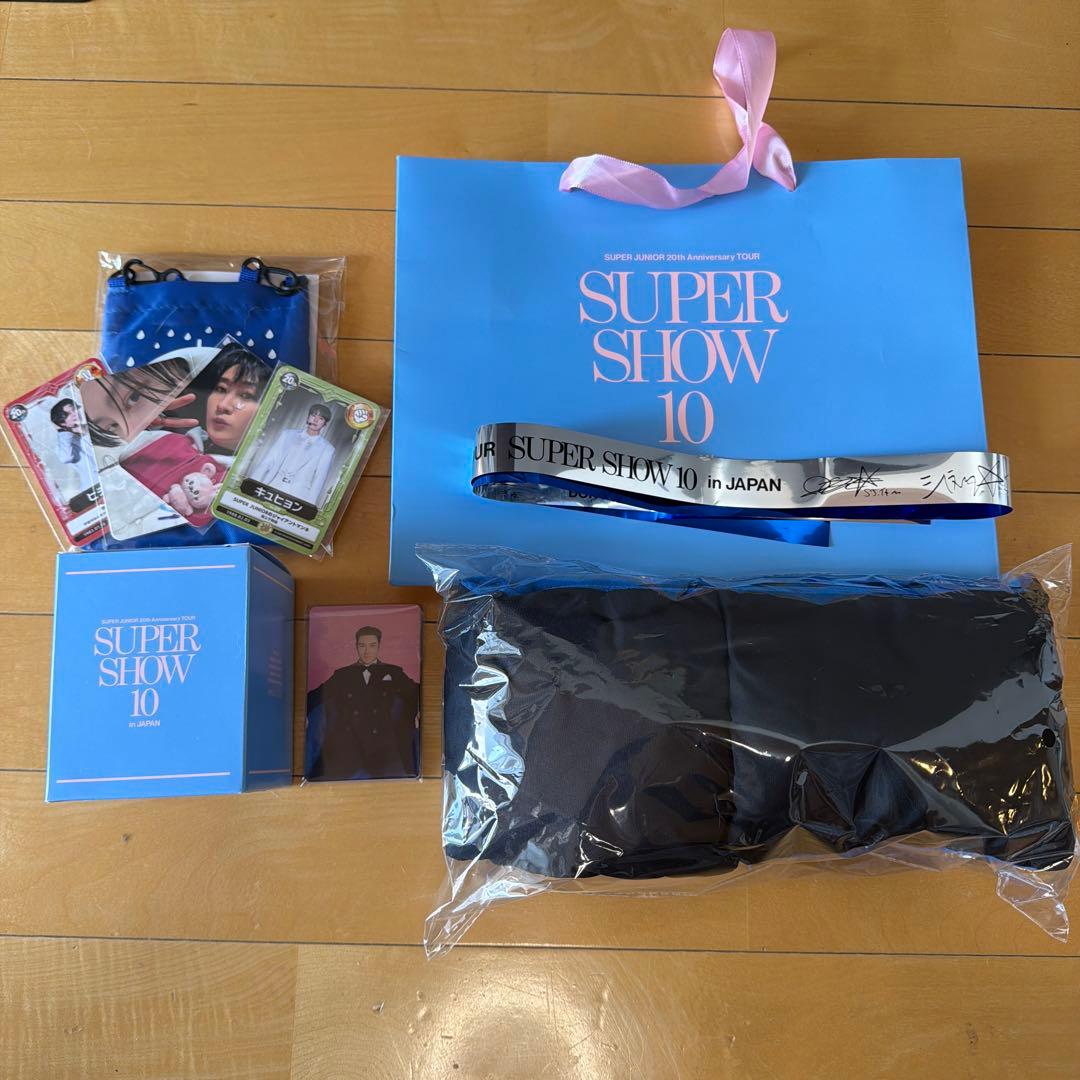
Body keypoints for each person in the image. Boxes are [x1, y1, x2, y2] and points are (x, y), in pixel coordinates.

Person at [305, 626, 420, 781]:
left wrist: (422, 711)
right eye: (362, 646)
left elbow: (416, 693)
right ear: (356, 647)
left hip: (384, 750)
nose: (367, 651)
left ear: (379, 646)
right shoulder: (343, 675)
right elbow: (316, 696)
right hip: (349, 750)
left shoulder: (393, 672)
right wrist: (300, 712)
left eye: (372, 646)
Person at [251, 402, 336, 506]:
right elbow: (268, 461)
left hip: (298, 495)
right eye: (313, 415)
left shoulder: (327, 449)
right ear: (308, 417)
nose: (315, 420)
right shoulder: (287, 434)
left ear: (325, 424)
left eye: (321, 418)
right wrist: (253, 484)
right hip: (271, 485)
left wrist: (308, 506)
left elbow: (319, 480)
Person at [49, 397, 97, 496]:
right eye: (67, 414)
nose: (74, 414)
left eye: (74, 409)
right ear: (62, 422)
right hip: (93, 489)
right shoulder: (65, 444)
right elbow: (66, 458)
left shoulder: (96, 426)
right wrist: (62, 431)